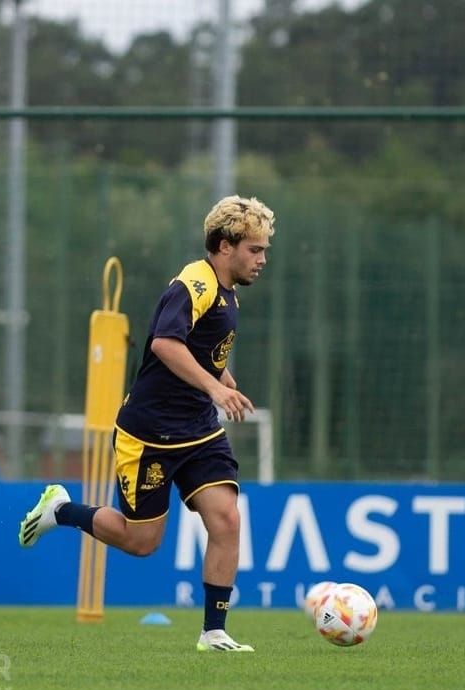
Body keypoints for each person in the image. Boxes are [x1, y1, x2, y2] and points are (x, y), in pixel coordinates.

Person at [18, 195, 274, 653]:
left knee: (227, 519)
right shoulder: (194, 283)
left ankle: (213, 632)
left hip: (198, 430)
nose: (262, 259)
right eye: (255, 249)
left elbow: (200, 348)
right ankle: (61, 511)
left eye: (263, 250)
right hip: (149, 433)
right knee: (141, 541)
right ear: (224, 245)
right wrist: (216, 390)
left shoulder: (227, 290)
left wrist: (223, 377)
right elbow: (164, 345)